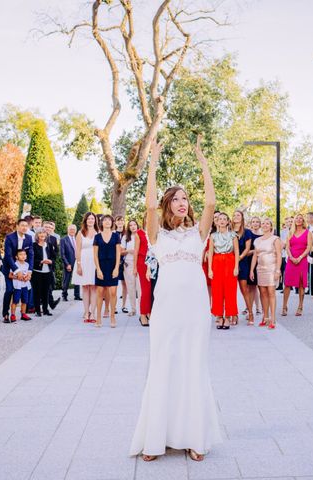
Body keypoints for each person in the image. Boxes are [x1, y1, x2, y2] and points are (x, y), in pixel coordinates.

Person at [130, 135, 222, 462]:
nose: (183, 202)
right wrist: (153, 160)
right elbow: (149, 203)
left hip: (196, 310)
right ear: (169, 205)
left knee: (193, 366)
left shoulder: (199, 232)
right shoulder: (156, 235)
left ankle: (195, 437)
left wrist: (202, 158)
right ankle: (155, 439)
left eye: (185, 198)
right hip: (166, 310)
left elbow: (211, 202)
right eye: (177, 199)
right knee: (163, 366)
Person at [208, 212, 239, 329]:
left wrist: (236, 267)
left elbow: (236, 252)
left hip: (230, 261)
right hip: (217, 261)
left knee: (230, 290)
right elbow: (210, 252)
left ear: (227, 222)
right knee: (217, 290)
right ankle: (219, 316)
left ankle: (228, 317)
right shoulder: (213, 236)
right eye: (219, 219)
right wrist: (210, 269)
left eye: (224, 219)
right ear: (217, 221)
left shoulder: (233, 235)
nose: (221, 221)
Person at [250, 218, 282, 328]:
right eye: (263, 223)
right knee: (262, 293)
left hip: (271, 269)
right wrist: (251, 270)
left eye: (267, 223)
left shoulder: (276, 239)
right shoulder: (257, 241)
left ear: (271, 226)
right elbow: (255, 255)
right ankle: (265, 317)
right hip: (260, 269)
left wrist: (278, 270)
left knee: (271, 292)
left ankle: (273, 319)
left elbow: (279, 255)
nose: (264, 225)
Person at [1, 219, 34, 324]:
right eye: (22, 225)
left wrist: (29, 271)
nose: (24, 227)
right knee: (10, 290)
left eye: (26, 225)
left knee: (25, 290)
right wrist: (17, 270)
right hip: (9, 268)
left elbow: (31, 255)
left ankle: (23, 313)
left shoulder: (29, 238)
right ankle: (6, 313)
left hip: (24, 268)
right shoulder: (10, 238)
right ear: (17, 226)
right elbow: (8, 256)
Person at [93, 215, 122, 328]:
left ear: (112, 222)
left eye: (109, 220)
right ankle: (98, 317)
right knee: (100, 293)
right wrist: (98, 269)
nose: (107, 222)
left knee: (113, 292)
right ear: (101, 223)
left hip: (112, 266)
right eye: (105, 220)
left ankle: (112, 317)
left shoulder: (116, 236)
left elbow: (118, 253)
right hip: (101, 266)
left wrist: (116, 268)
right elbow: (95, 255)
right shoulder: (97, 237)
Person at [282, 213, 313, 316]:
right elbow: (287, 247)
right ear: (294, 220)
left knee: (301, 284)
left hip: (302, 260)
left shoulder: (308, 233)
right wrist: (291, 257)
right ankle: (284, 306)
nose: (299, 220)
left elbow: (308, 247)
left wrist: (300, 257)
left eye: (301, 218)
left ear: (303, 221)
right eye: (297, 218)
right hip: (291, 260)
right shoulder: (290, 232)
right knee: (287, 283)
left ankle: (300, 306)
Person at [74, 212, 98, 323]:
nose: (90, 220)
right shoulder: (80, 233)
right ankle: (86, 312)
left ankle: (93, 313)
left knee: (93, 287)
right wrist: (79, 265)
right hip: (83, 261)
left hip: (94, 261)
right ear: (85, 220)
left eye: (92, 218)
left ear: (95, 220)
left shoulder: (99, 232)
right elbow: (77, 250)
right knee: (85, 287)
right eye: (88, 219)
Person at [232, 210, 255, 325]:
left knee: (244, 289)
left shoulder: (247, 232)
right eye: (234, 215)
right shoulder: (228, 231)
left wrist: (239, 258)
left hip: (242, 262)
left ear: (242, 218)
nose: (236, 217)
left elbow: (247, 249)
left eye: (238, 215)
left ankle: (250, 312)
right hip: (230, 263)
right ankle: (234, 315)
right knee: (231, 291)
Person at [135, 217, 151, 327]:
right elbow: (136, 251)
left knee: (153, 290)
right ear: (145, 219)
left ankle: (150, 312)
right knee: (145, 290)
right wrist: (134, 268)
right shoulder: (139, 233)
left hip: (154, 263)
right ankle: (143, 314)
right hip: (143, 263)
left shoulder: (157, 232)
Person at [122, 220, 139, 317]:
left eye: (134, 224)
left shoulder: (141, 235)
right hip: (128, 263)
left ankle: (143, 311)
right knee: (131, 287)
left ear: (137, 225)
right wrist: (130, 251)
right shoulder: (125, 237)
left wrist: (137, 251)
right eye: (130, 225)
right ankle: (133, 309)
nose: (133, 226)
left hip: (140, 263)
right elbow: (121, 251)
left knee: (140, 288)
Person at [10, 249, 32, 322]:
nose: (23, 256)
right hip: (17, 286)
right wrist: (18, 277)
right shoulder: (15, 264)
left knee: (25, 301)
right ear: (16, 257)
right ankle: (13, 315)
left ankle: (23, 314)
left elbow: (28, 274)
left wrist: (27, 277)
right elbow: (10, 275)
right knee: (15, 301)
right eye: (20, 254)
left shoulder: (27, 264)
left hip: (25, 285)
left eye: (24, 254)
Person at [248, 216, 263, 315]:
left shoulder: (263, 236)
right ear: (251, 223)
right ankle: (249, 308)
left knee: (260, 286)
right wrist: (255, 251)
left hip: (262, 262)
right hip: (250, 262)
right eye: (253, 222)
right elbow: (247, 251)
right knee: (252, 287)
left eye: (257, 222)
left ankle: (259, 307)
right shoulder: (249, 235)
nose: (255, 223)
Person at [60, 224, 78, 301]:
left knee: (77, 279)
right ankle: (64, 295)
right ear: (68, 230)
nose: (72, 231)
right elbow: (62, 254)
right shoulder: (63, 239)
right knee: (66, 280)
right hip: (68, 263)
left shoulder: (78, 239)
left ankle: (77, 295)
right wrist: (67, 264)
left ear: (76, 230)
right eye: (71, 229)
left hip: (77, 262)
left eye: (74, 229)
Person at [115, 216, 128, 314]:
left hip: (125, 262)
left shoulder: (127, 234)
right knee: (114, 285)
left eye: (122, 220)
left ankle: (124, 306)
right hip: (114, 262)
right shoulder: (112, 233)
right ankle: (114, 307)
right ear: (115, 223)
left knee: (125, 284)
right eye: (118, 221)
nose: (120, 222)